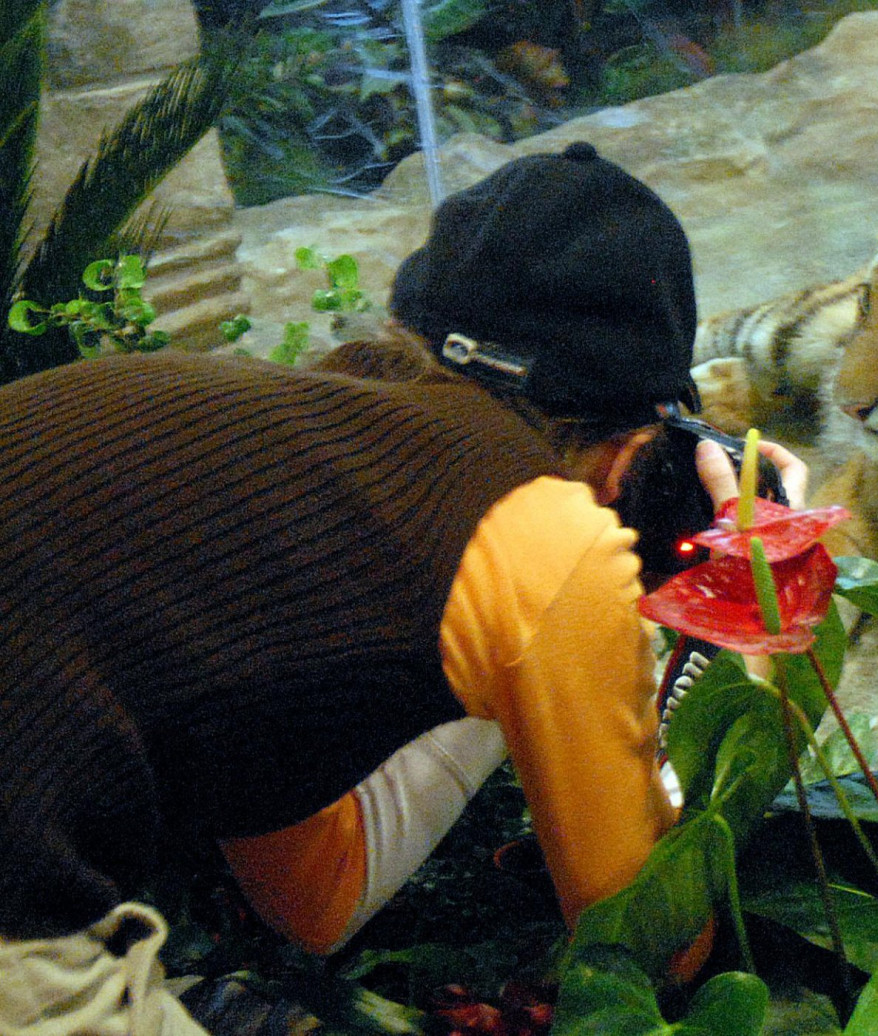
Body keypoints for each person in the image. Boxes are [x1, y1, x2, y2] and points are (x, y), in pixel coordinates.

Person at [0, 141, 807, 1034]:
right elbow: (652, 954)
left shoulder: (285, 475)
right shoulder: (540, 535)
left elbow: (317, 898)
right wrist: (747, 612)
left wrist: (517, 672)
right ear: (629, 454)